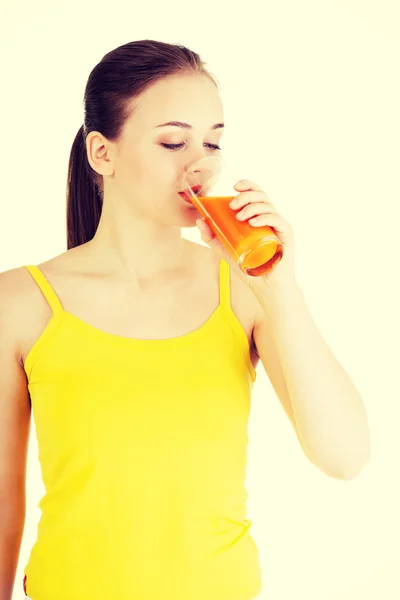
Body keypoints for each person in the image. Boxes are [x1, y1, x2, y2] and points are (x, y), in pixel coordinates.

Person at [0, 40, 267, 600]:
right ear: (103, 153)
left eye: (213, 141)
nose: (202, 161)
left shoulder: (245, 290)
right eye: (174, 141)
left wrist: (279, 287)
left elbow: (345, 455)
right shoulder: (19, 302)